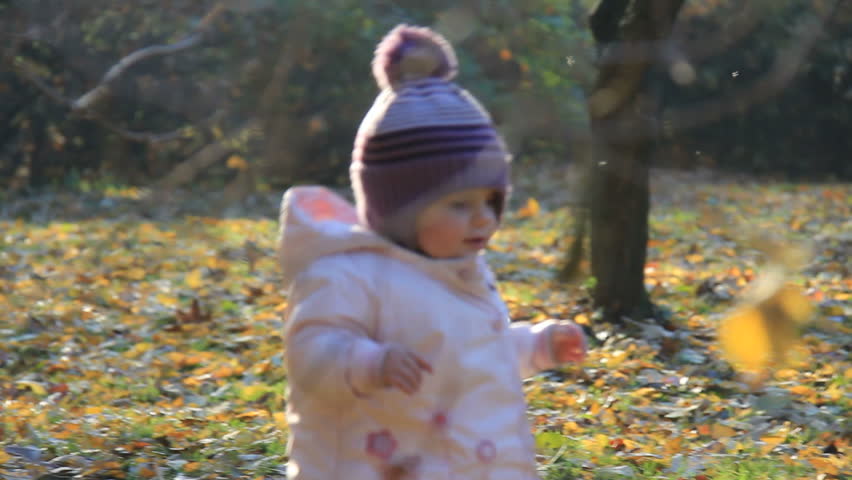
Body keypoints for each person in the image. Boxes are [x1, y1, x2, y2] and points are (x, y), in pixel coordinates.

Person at [277, 24, 588, 480]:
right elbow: (308, 353)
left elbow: (475, 354)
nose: (483, 218)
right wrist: (368, 362)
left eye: (491, 201)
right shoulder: (348, 273)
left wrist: (537, 346)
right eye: (459, 205)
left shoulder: (460, 271)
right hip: (369, 465)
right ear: (401, 209)